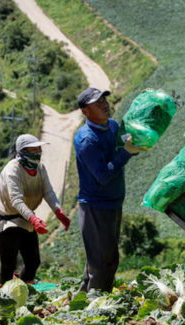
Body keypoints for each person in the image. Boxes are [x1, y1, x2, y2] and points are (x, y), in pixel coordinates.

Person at [74, 87, 146, 293]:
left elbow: (124, 150)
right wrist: (126, 153)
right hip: (95, 206)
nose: (105, 105)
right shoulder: (87, 139)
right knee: (104, 262)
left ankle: (84, 296)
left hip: (113, 202)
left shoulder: (112, 126)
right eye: (98, 104)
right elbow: (103, 175)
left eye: (105, 101)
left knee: (101, 258)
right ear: (85, 111)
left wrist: (137, 146)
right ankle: (97, 306)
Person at [0, 134, 71, 286]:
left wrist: (58, 212)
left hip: (25, 218)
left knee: (33, 261)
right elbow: (16, 200)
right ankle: (3, 296)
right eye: (32, 149)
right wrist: (34, 219)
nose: (37, 153)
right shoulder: (12, 170)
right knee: (8, 264)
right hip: (6, 220)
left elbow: (48, 192)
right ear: (22, 152)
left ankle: (25, 290)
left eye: (38, 149)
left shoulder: (40, 168)